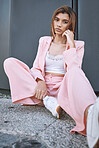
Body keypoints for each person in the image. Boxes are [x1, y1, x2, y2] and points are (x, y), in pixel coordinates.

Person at [3, 5, 99, 148]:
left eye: (65, 21)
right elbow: (36, 67)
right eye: (57, 20)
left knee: (75, 72)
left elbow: (74, 69)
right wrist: (40, 81)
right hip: (42, 88)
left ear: (71, 25)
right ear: (53, 21)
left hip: (63, 88)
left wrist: (71, 44)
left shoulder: (78, 45)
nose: (59, 25)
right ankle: (48, 101)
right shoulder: (44, 41)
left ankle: (91, 113)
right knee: (9, 62)